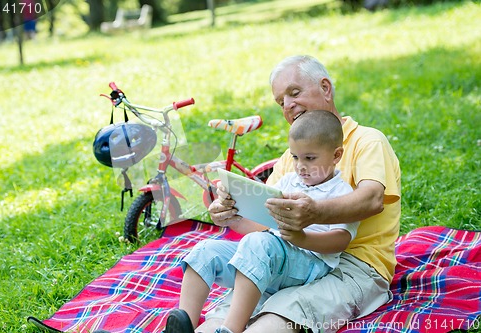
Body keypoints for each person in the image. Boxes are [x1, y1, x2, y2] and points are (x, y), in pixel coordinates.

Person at [167, 54, 401, 333]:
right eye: (281, 101)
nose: (288, 105)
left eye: (294, 92)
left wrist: (312, 213)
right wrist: (231, 215)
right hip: (284, 258)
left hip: (355, 267)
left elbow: (372, 199)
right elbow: (267, 224)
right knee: (217, 321)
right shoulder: (292, 160)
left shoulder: (368, 140)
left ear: (325, 88)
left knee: (272, 321)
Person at [165, 110, 360, 333]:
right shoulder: (288, 182)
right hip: (271, 257)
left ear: (336, 156)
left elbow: (341, 240)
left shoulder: (342, 193)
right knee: (206, 250)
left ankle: (231, 328)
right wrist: (233, 219)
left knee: (258, 243)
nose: (300, 166)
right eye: (295, 157)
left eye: (310, 158)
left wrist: (301, 238)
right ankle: (184, 324)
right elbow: (265, 225)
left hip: (310, 264)